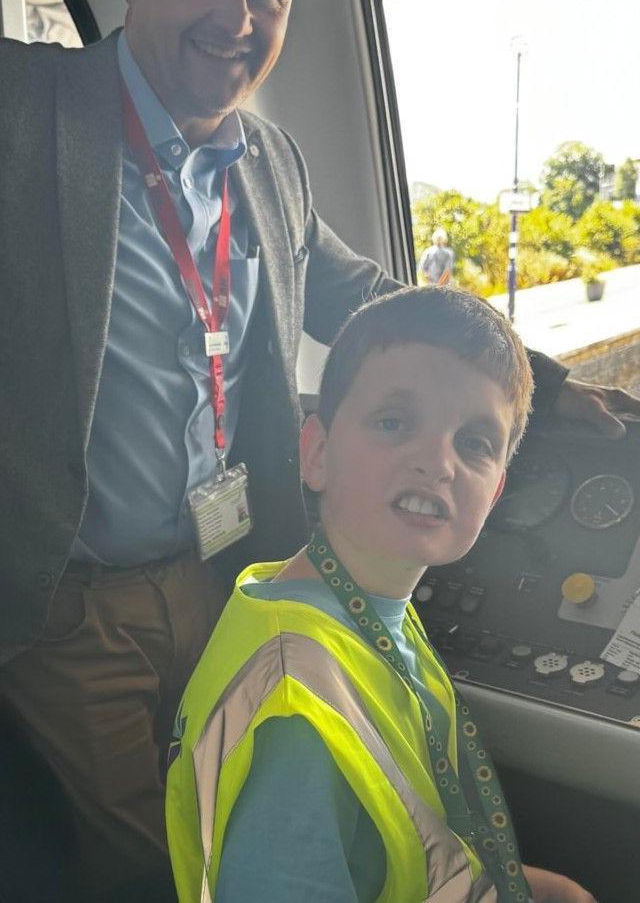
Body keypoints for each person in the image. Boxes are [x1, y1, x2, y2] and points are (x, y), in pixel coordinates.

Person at [0, 0, 640, 899]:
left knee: (248, 798)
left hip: (221, 570)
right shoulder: (25, 110)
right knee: (155, 864)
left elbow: (359, 290)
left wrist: (532, 379)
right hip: (76, 605)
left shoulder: (270, 161)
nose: (236, 16)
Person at [166, 287, 596, 903]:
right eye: (394, 423)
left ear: (495, 492)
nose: (436, 462)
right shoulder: (296, 714)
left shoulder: (363, 604)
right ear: (315, 453)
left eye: (474, 442)